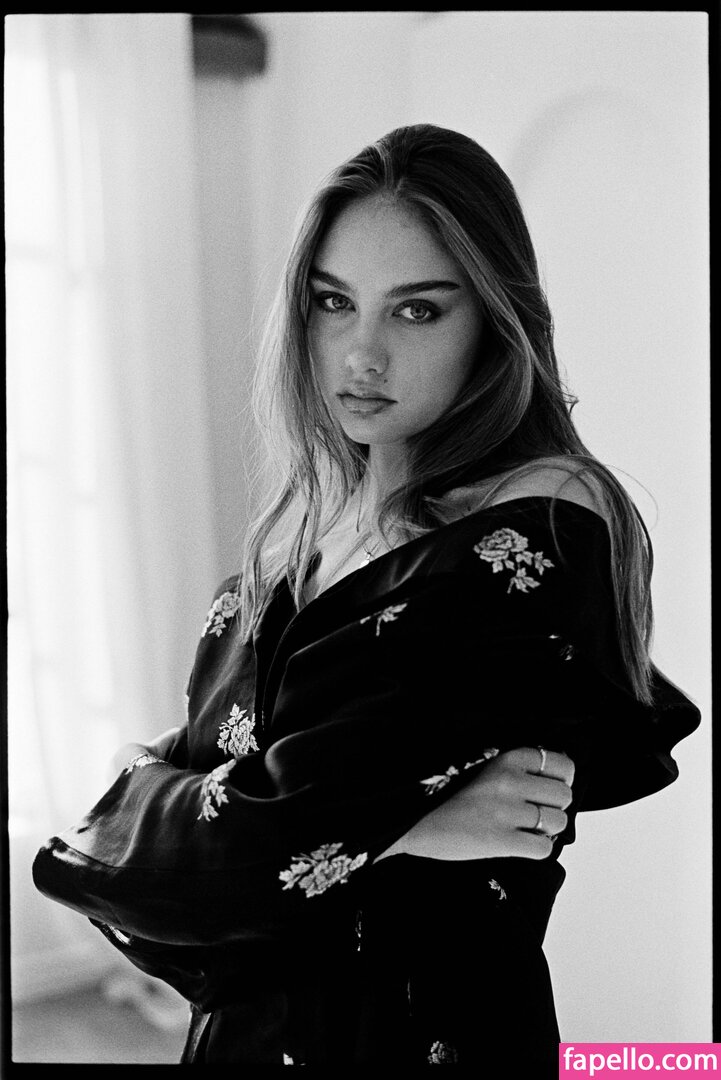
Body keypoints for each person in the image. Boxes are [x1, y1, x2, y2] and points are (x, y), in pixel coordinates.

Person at [33, 124, 700, 1070]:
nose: (361, 355)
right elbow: (153, 891)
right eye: (332, 302)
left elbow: (209, 860)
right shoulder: (297, 543)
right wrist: (394, 832)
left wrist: (186, 806)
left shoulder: (541, 524)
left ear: (493, 320)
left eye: (417, 311)